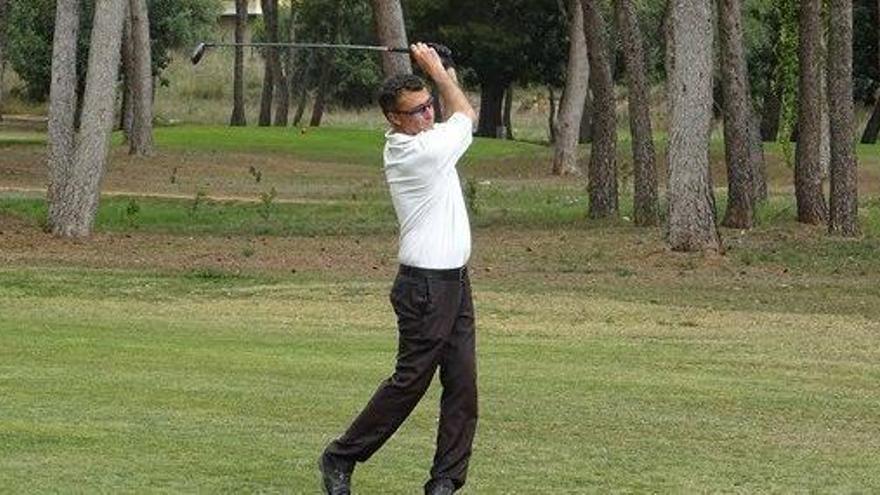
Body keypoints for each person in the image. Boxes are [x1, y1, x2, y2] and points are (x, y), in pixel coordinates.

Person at [318, 42, 479, 495]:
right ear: (394, 119)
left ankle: (445, 481)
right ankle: (340, 456)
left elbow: (452, 107)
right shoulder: (415, 153)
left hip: (455, 281)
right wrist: (438, 70)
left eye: (429, 106)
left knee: (463, 385)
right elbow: (465, 115)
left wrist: (442, 66)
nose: (428, 116)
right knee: (410, 384)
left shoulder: (428, 139)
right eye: (416, 111)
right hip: (425, 287)